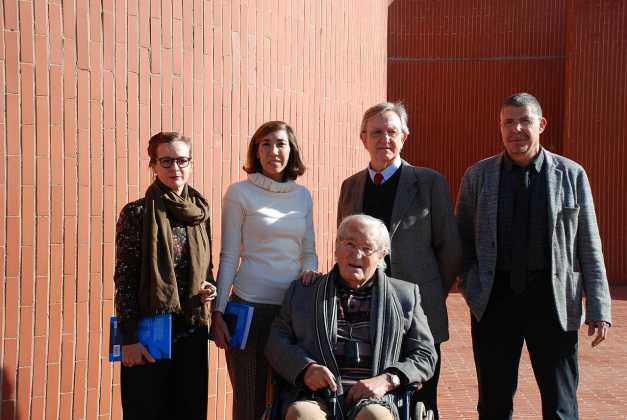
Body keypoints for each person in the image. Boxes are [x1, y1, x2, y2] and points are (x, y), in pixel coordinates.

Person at [455, 92, 612, 420]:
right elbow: (463, 241)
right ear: (500, 128)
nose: (516, 129)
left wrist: (599, 306)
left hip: (552, 301)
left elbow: (589, 244)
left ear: (540, 124)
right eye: (508, 122)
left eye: (524, 121)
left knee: (561, 403)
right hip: (494, 302)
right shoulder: (478, 177)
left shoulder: (571, 175)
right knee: (494, 403)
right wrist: (471, 286)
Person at [336, 102, 462, 419]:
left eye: (392, 131)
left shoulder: (429, 183)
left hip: (417, 313)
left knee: (422, 402)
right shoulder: (350, 187)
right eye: (376, 132)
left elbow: (450, 249)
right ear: (363, 138)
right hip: (363, 316)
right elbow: (344, 247)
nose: (384, 139)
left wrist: (427, 293)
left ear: (404, 136)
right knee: (371, 400)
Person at [266, 214, 437, 420]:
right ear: (336, 247)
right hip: (316, 396)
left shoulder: (405, 296)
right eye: (349, 244)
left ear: (382, 256)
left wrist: (388, 380)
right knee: (303, 415)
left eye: (367, 248)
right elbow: (276, 341)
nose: (356, 254)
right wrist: (305, 368)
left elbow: (425, 354)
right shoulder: (304, 291)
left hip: (377, 399)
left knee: (376, 417)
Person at [211, 121, 318, 420]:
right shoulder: (239, 193)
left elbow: (309, 252)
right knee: (249, 403)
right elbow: (229, 256)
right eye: (266, 144)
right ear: (256, 152)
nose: (274, 151)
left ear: (291, 150)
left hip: (292, 312)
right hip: (248, 309)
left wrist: (310, 272)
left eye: (281, 144)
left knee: (289, 399)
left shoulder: (302, 196)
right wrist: (218, 311)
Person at [114, 131, 217, 420]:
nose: (175, 168)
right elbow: (125, 278)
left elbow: (205, 269)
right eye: (167, 161)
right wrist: (130, 338)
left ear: (191, 163)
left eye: (182, 160)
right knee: (146, 410)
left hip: (192, 329)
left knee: (189, 410)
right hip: (149, 331)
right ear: (153, 165)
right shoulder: (137, 213)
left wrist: (210, 287)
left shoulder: (199, 213)